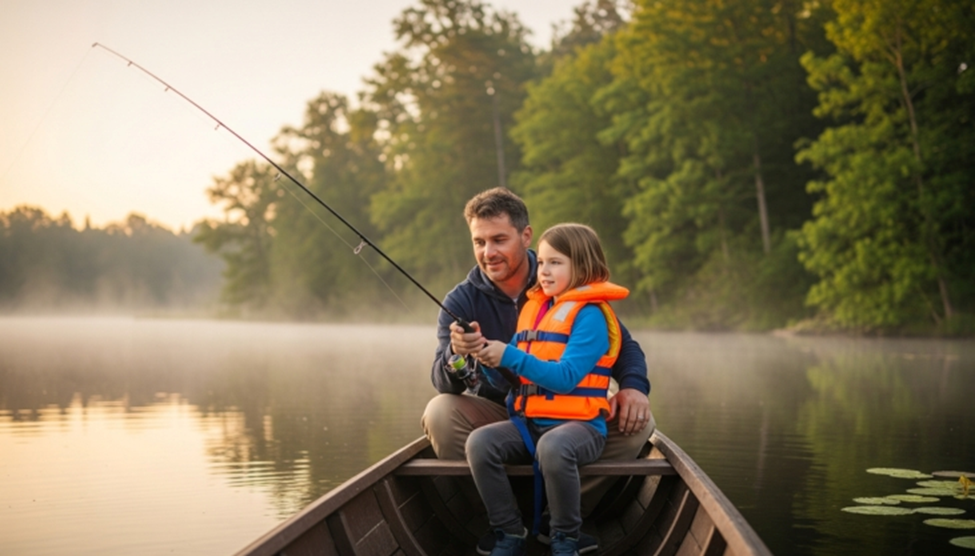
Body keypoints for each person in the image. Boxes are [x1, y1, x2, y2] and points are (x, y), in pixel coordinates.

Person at [421, 187, 655, 553]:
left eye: (499, 239)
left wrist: (634, 387)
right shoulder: (462, 299)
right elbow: (442, 380)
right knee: (439, 411)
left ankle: (559, 520)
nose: (488, 252)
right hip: (509, 411)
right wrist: (461, 354)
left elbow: (625, 349)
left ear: (525, 235)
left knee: (641, 421)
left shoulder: (562, 281)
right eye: (479, 241)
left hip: (571, 412)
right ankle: (499, 518)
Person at [467, 222, 630, 555]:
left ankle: (565, 538)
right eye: (541, 262)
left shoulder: (591, 316)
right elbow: (507, 379)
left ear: (582, 266)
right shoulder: (537, 310)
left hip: (581, 427)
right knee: (480, 443)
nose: (543, 271)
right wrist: (485, 355)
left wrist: (508, 353)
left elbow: (566, 377)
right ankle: (510, 532)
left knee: (554, 447)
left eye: (555, 262)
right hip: (530, 423)